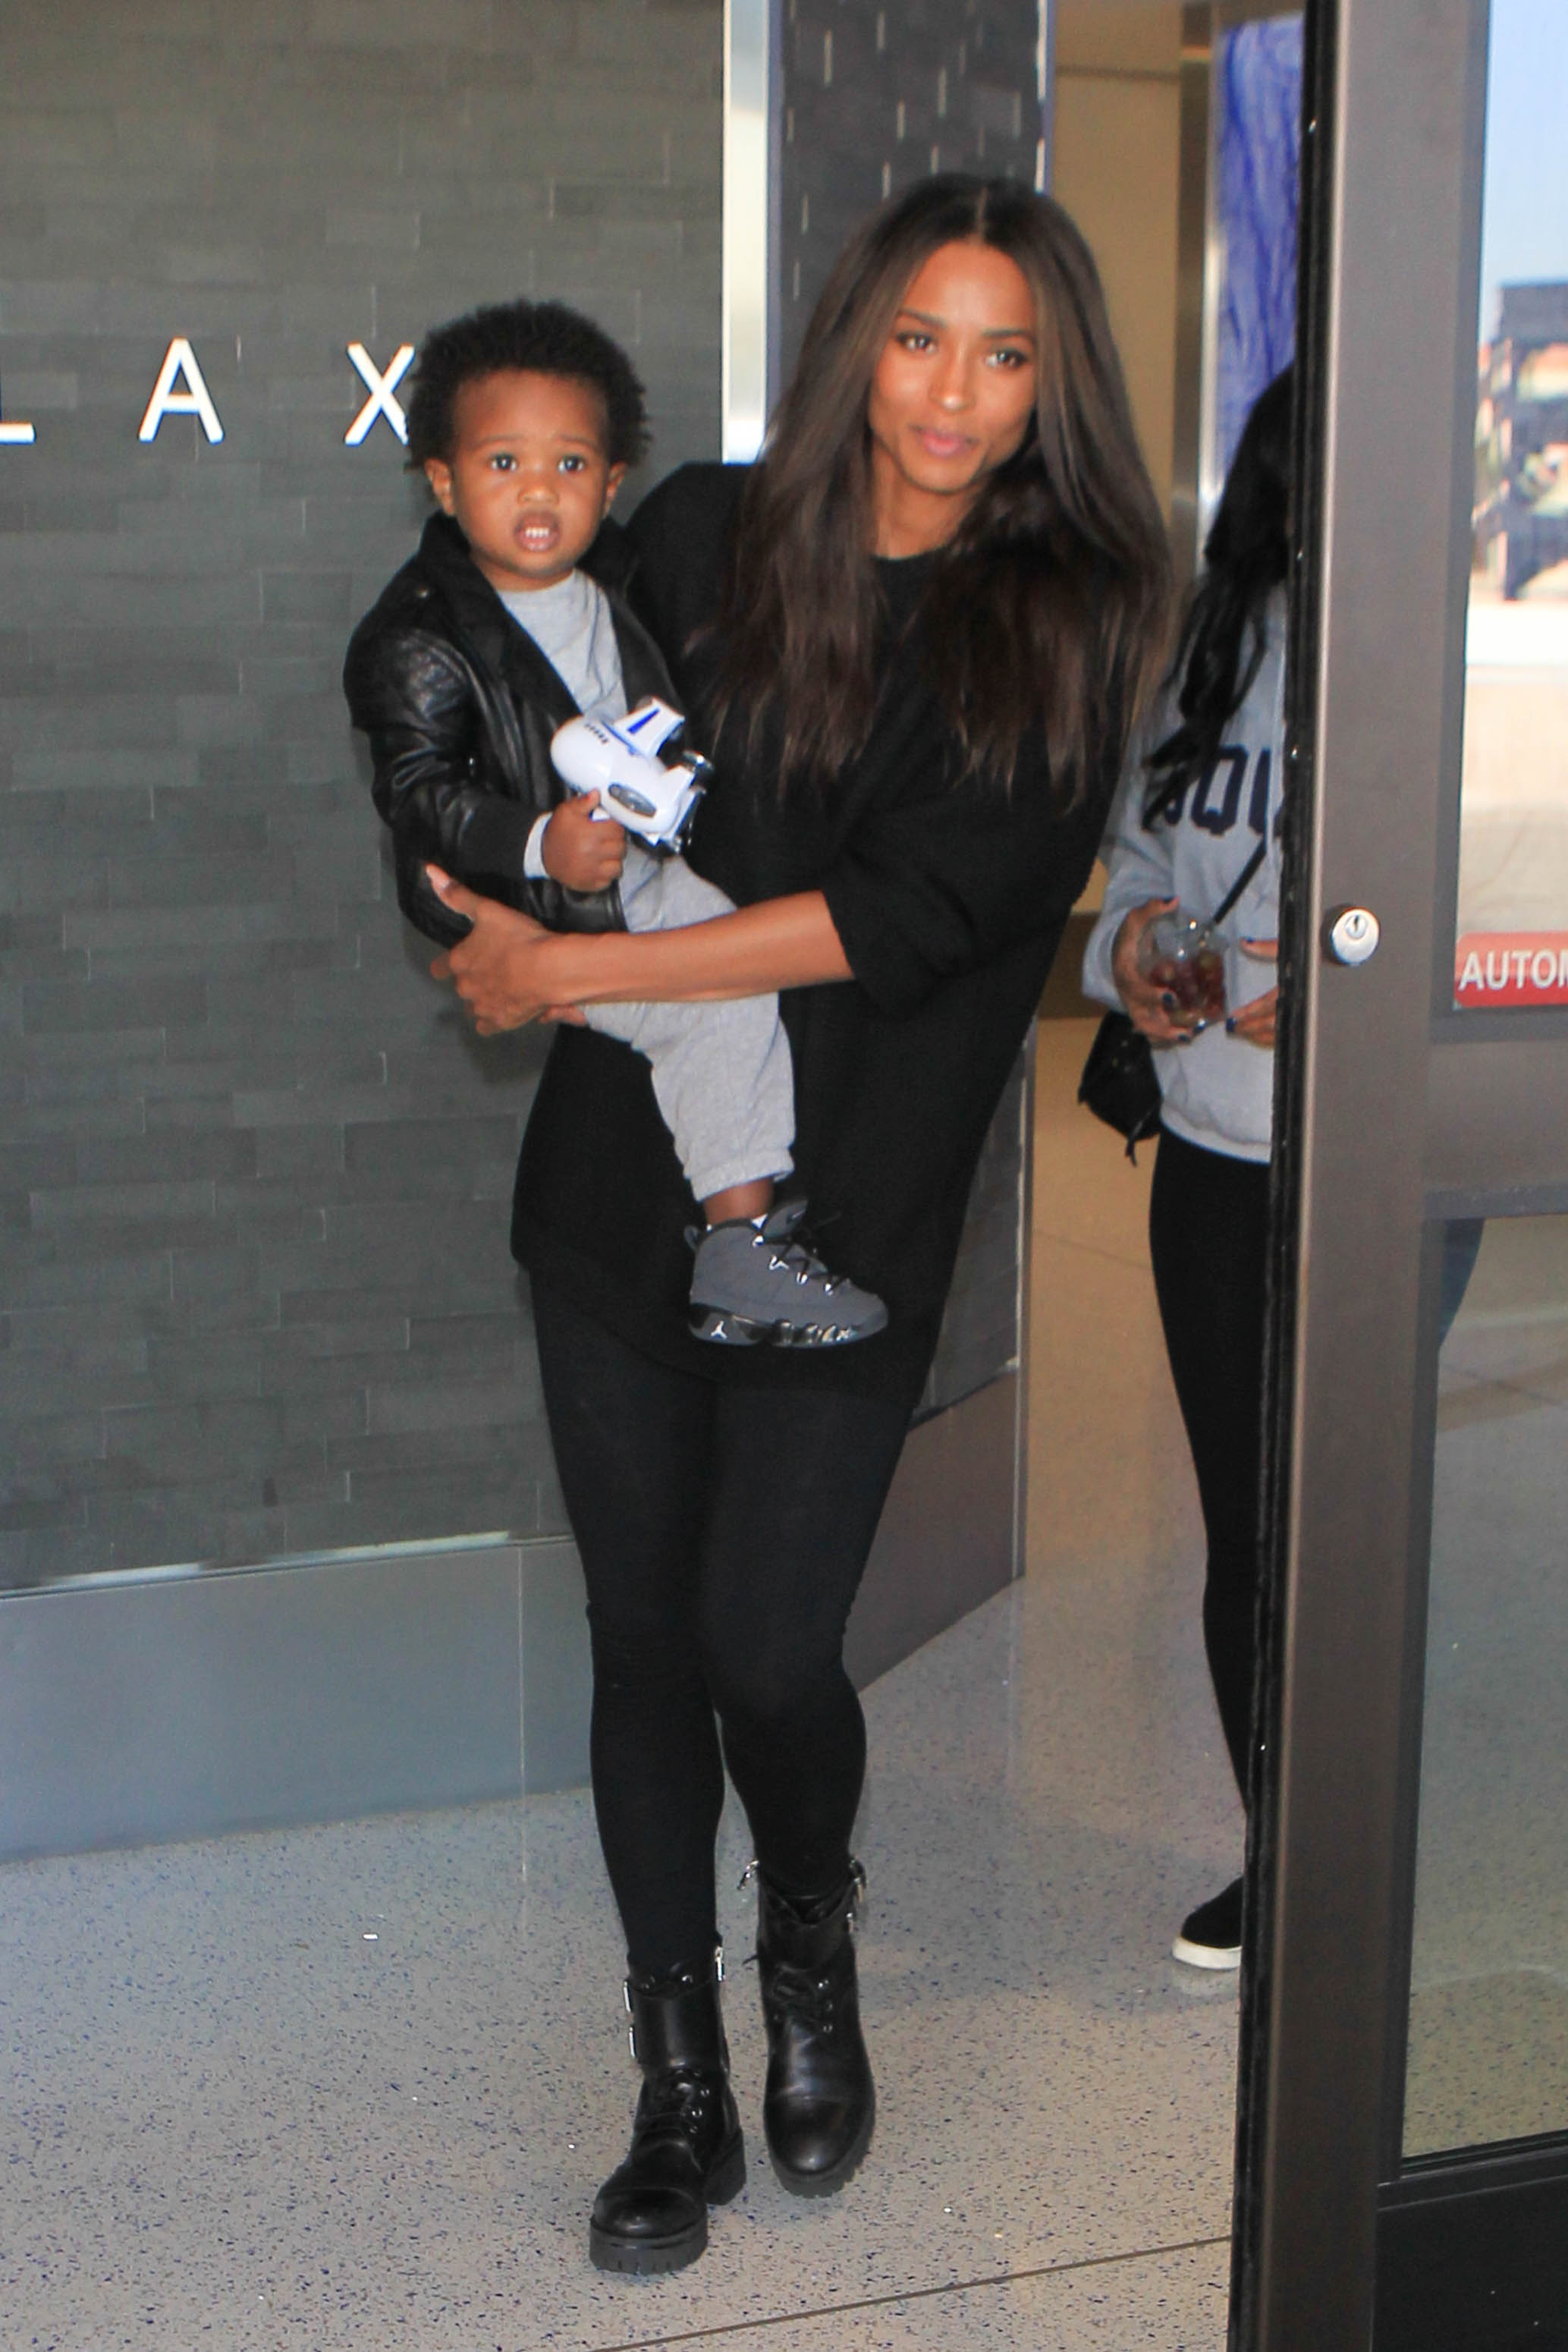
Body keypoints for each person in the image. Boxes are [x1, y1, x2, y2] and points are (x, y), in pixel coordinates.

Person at [424, 178, 1172, 2273]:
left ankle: (809, 1945)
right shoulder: (696, 538)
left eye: (1005, 352)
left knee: (770, 1640)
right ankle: (674, 2079)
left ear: (1052, 385)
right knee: (646, 1639)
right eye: (921, 336)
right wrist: (496, 898)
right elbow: (533, 748)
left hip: (845, 1217)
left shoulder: (1073, 606)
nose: (952, 392)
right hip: (613, 1198)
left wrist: (567, 976)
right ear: (857, 336)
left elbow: (910, 917)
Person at [343, 299, 885, 1347]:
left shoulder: (624, 576)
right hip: (529, 894)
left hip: (633, 862)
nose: (538, 491)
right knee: (715, 999)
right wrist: (540, 844)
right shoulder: (413, 639)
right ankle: (743, 1240)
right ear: (443, 480)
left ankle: (743, 1225)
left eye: (570, 464)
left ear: (612, 480)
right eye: (502, 465)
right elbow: (419, 793)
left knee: (735, 965)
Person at [1083, 370, 1292, 1971]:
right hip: (1213, 1142)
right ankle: (1279, 1857)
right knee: (1244, 1525)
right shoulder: (1198, 645)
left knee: (1332, 1523)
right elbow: (1142, 857)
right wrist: (1140, 945)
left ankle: (1351, 1847)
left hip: (1360, 1167)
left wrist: (1328, 978)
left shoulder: (1443, 651)